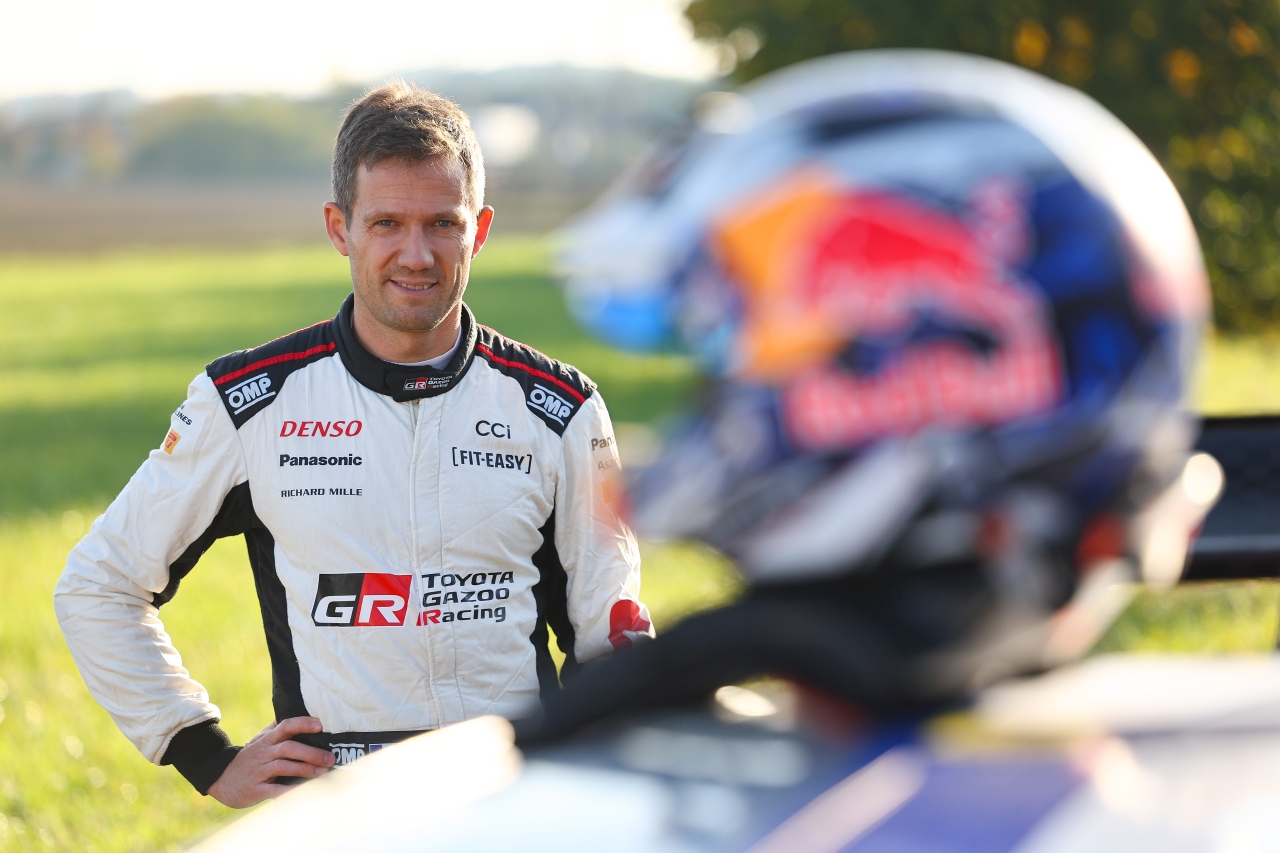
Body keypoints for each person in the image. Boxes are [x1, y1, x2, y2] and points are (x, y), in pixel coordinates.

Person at [53, 81, 653, 808]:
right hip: (339, 810)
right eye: (386, 223)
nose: (416, 254)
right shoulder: (250, 402)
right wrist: (201, 753)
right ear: (340, 228)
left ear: (480, 229)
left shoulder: (558, 409)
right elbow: (99, 584)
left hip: (513, 802)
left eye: (442, 223)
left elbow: (610, 631)